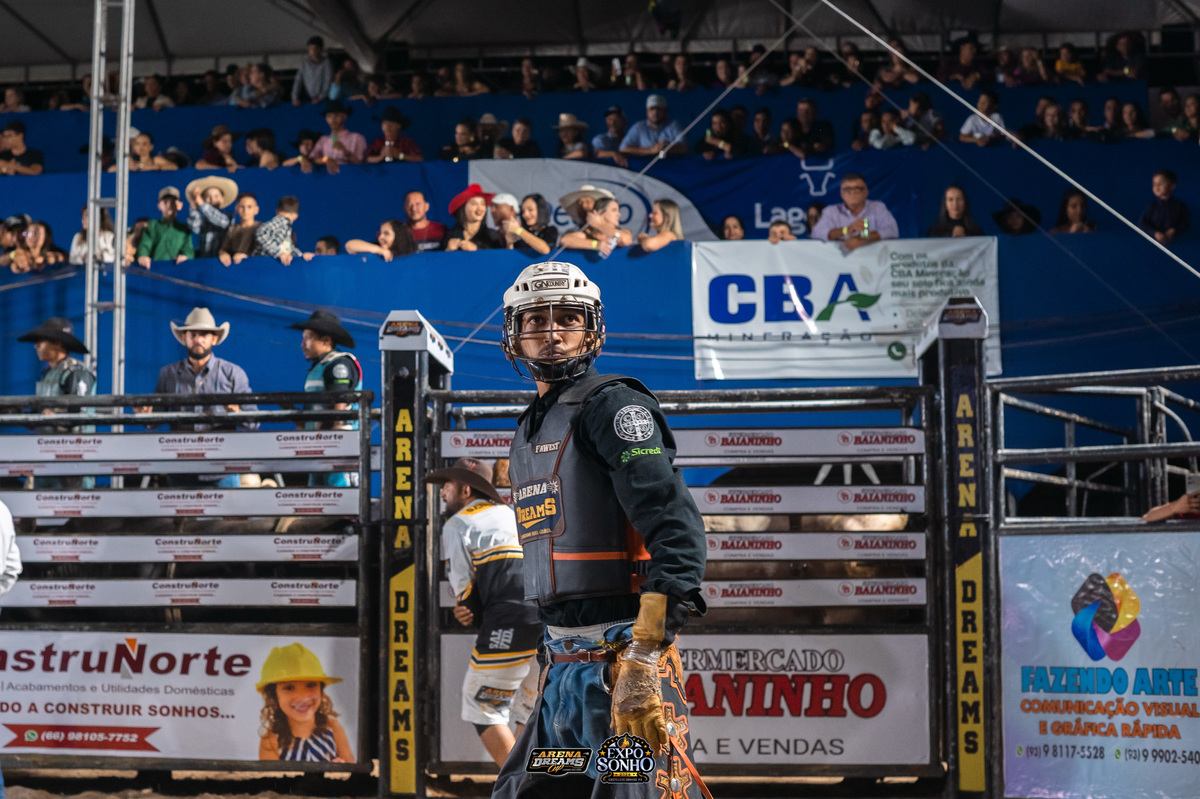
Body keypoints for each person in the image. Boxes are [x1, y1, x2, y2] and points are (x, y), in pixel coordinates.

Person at [490, 261, 709, 797]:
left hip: (619, 665)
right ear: (514, 334)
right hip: (561, 670)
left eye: (568, 317)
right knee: (529, 790)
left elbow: (676, 528)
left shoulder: (613, 406)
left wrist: (646, 652)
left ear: (592, 328)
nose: (553, 332)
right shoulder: (530, 427)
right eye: (536, 320)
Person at [424, 457, 543, 768]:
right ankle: (530, 782)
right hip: (548, 619)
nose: (442, 492)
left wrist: (466, 609)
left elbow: (464, 592)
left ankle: (517, 786)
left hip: (510, 618)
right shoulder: (512, 513)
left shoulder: (458, 523)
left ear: (466, 490)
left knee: (481, 705)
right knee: (528, 707)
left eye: (447, 486)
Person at [134, 308, 259, 475]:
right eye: (193, 335)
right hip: (181, 467)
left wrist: (237, 413)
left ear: (214, 339)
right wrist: (145, 415)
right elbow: (155, 419)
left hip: (222, 467)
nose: (198, 339)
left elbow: (253, 423)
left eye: (204, 334)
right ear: (184, 338)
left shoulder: (233, 373)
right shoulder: (168, 373)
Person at [288, 310, 363, 487]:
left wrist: (331, 445)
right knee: (319, 496)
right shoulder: (318, 367)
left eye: (308, 338)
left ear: (326, 341)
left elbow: (339, 413)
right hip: (319, 449)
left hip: (337, 450)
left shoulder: (338, 365)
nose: (302, 345)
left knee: (337, 495)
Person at [256, 643, 353, 762]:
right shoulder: (270, 741)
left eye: (310, 685)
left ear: (321, 690)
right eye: (289, 687)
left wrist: (342, 769)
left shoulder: (332, 727)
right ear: (274, 695)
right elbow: (270, 775)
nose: (302, 697)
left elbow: (351, 766)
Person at [811, 173, 900, 251]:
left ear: (866, 192)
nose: (852, 192)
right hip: (839, 260)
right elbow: (817, 233)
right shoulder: (831, 211)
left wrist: (863, 238)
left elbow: (891, 230)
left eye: (857, 188)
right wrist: (847, 230)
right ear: (841, 194)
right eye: (847, 189)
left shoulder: (877, 207)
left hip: (873, 258)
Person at [136, 186, 194, 267]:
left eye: (173, 202)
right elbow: (145, 245)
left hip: (177, 270)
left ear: (179, 205)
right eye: (165, 202)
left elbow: (188, 249)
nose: (169, 205)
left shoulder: (184, 229)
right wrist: (143, 255)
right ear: (159, 205)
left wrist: (185, 256)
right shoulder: (152, 226)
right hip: (155, 270)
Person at [186, 175, 238, 260]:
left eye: (216, 196)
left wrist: (201, 203)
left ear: (222, 199)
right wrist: (194, 207)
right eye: (208, 197)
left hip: (223, 261)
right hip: (205, 261)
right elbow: (195, 228)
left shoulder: (228, 217)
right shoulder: (202, 220)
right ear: (204, 199)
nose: (212, 200)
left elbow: (221, 220)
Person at [559, 197, 632, 255]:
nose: (619, 214)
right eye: (614, 210)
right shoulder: (589, 234)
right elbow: (565, 240)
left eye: (618, 211)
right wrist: (595, 244)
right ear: (601, 212)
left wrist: (597, 224)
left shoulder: (624, 232)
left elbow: (625, 240)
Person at [620, 94, 687, 157]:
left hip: (671, 164)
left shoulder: (673, 125)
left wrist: (668, 148)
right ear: (647, 111)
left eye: (659, 109)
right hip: (645, 164)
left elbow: (685, 148)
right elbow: (623, 148)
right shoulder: (638, 127)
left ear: (665, 111)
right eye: (652, 109)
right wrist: (651, 150)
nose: (655, 112)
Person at [309, 100, 367, 172]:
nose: (333, 120)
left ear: (344, 116)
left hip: (351, 176)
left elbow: (363, 164)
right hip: (328, 177)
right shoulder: (323, 140)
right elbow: (312, 159)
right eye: (329, 116)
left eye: (336, 115)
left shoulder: (357, 138)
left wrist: (346, 152)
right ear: (326, 119)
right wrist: (325, 159)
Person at [443, 184, 503, 251]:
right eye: (474, 204)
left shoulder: (492, 235)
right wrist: (448, 250)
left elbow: (500, 256)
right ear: (463, 208)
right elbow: (437, 256)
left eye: (482, 204)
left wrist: (476, 250)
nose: (479, 208)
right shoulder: (450, 235)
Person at [255, 196, 311, 264]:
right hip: (262, 262)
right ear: (295, 216)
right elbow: (262, 233)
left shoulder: (286, 227)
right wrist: (279, 252)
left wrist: (300, 255)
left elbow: (287, 247)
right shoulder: (281, 221)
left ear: (277, 211)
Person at [1140, 169, 1190, 244]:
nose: (1157, 187)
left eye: (1161, 183)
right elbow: (1142, 223)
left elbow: (1185, 222)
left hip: (1177, 243)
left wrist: (1173, 230)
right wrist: (1155, 233)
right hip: (1153, 243)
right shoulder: (1152, 206)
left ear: (1172, 186)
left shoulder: (1179, 206)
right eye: (1154, 184)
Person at [218, 193, 262, 266]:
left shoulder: (262, 228)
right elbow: (224, 249)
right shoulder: (232, 229)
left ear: (256, 210)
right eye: (242, 207)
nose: (245, 210)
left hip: (255, 267)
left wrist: (247, 257)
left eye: (249, 207)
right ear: (236, 208)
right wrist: (223, 254)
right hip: (235, 267)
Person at [344, 219, 417, 261]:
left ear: (399, 236)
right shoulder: (377, 252)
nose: (380, 237)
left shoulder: (410, 256)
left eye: (386, 233)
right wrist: (379, 250)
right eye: (380, 233)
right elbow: (349, 246)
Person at [292, 36, 332, 106]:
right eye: (310, 49)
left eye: (315, 49)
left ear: (321, 49)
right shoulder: (304, 63)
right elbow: (298, 81)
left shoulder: (327, 63)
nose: (313, 51)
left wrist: (320, 97)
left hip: (324, 99)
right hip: (308, 98)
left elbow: (327, 81)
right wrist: (294, 97)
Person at [112, 132, 177, 172]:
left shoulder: (155, 160)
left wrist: (151, 167)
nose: (140, 147)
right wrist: (128, 168)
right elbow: (111, 169)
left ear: (151, 147)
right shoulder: (130, 160)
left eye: (144, 144)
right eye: (137, 144)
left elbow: (174, 166)